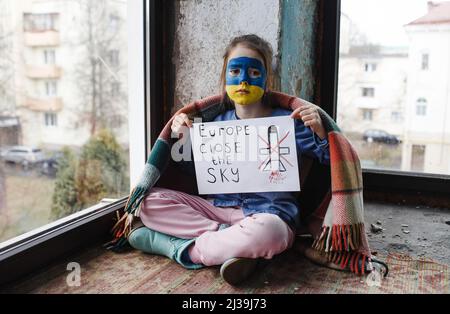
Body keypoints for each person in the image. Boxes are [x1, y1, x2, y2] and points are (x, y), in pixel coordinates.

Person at [127, 34, 334, 286]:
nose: (244, 80)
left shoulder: (289, 122)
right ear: (224, 76)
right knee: (147, 203)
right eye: (235, 70)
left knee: (272, 233)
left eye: (254, 72)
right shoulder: (213, 124)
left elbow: (330, 162)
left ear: (267, 79)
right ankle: (232, 244)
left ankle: (176, 247)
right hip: (215, 212)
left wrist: (322, 133)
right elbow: (190, 170)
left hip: (268, 216)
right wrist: (182, 137)